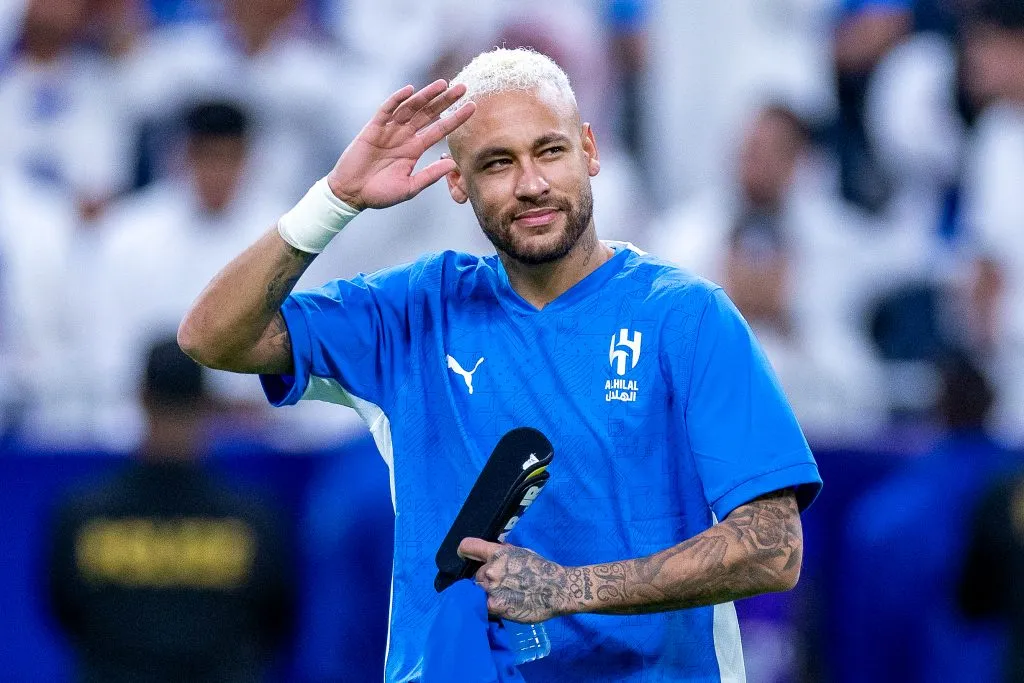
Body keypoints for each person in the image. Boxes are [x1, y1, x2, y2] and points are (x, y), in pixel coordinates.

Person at [178, 48, 822, 682]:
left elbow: (774, 548)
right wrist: (336, 200)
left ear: (590, 151)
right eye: (496, 163)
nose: (531, 183)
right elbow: (212, 338)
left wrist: (571, 588)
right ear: (456, 182)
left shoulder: (686, 317)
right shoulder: (414, 311)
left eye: (550, 151)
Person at [47, 339, 296, 683]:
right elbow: (276, 620)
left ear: (142, 397)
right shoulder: (251, 517)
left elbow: (65, 611)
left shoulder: (84, 513)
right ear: (205, 404)